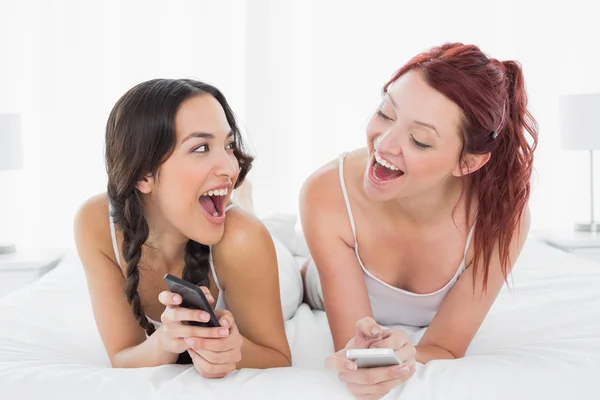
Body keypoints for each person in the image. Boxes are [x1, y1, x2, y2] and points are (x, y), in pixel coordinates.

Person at [299, 42, 537, 398]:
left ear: (467, 163)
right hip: (312, 272)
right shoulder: (326, 192)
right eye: (386, 113)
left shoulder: (501, 220)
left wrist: (404, 356)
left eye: (420, 141)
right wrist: (368, 358)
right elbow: (355, 347)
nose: (385, 143)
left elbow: (445, 348)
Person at [74, 78, 292, 376]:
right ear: (144, 175)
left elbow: (278, 357)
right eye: (201, 147)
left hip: (274, 260)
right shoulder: (95, 224)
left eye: (229, 145)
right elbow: (122, 356)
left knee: (279, 244)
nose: (230, 167)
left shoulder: (244, 238)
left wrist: (231, 348)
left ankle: (250, 205)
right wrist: (165, 342)